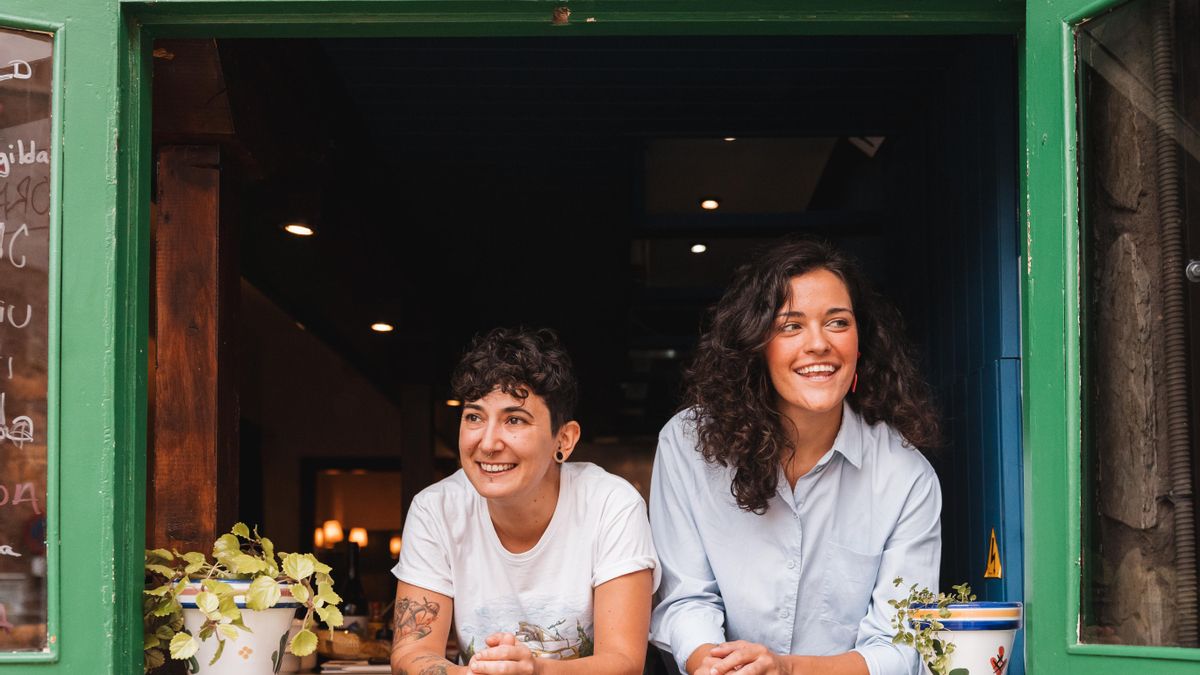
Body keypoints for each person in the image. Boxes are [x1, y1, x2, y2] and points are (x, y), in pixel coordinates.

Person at [649, 238, 942, 675]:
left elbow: (901, 649)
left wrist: (783, 670)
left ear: (861, 343)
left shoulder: (907, 478)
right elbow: (685, 598)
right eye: (790, 325)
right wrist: (718, 667)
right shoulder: (688, 444)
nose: (819, 344)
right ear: (756, 345)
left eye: (838, 322)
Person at [390, 327, 659, 675]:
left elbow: (624, 663)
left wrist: (534, 670)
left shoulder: (611, 504)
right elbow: (410, 654)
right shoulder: (436, 509)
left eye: (514, 419)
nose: (487, 443)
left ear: (564, 439)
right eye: (474, 417)